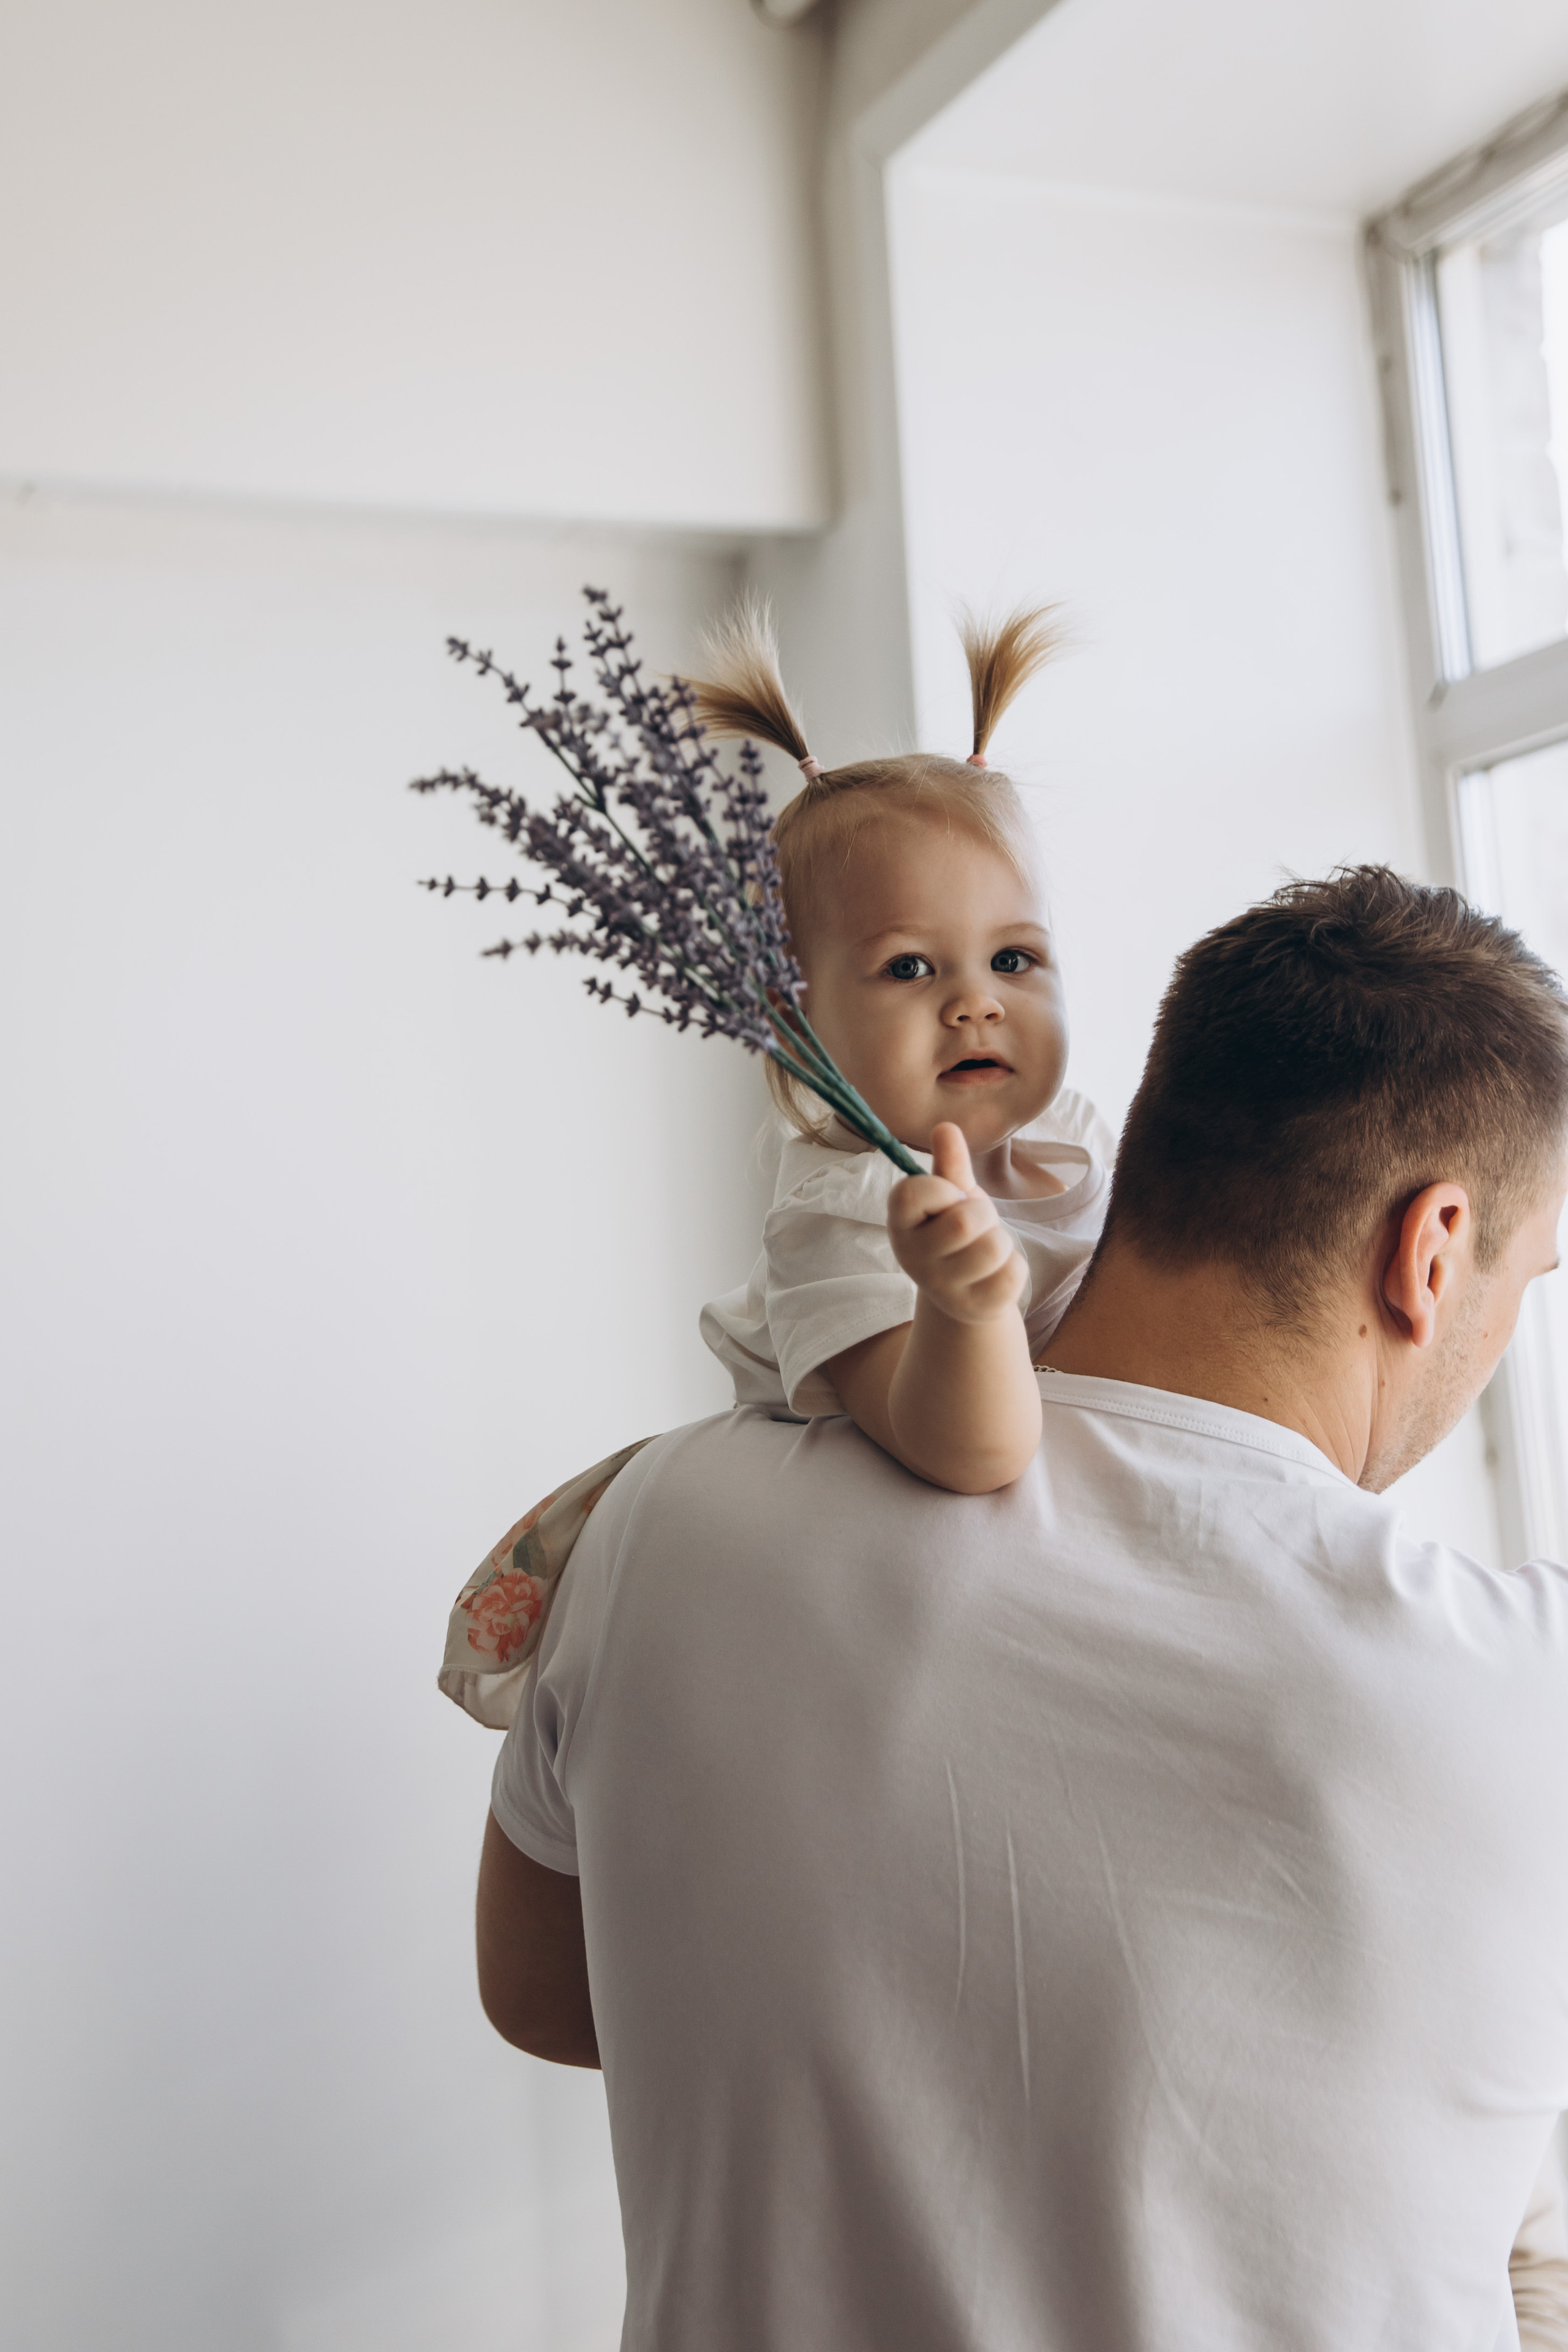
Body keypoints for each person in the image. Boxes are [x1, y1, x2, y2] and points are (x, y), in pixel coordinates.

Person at [477, 867, 1568, 2350]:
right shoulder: (1519, 1693)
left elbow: (542, 1990)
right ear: (1429, 1252)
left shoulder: (652, 1522)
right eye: (1529, 1276)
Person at [692, 601, 1114, 1494]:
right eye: (910, 967)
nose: (974, 1002)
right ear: (792, 1016)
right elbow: (971, 1454)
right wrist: (962, 1309)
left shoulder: (1080, 1137)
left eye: (1013, 958)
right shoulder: (845, 1216)